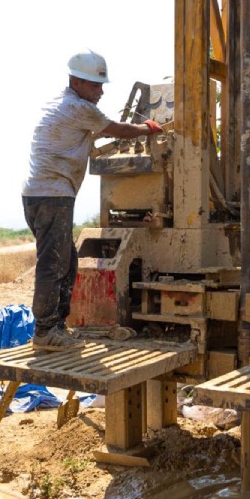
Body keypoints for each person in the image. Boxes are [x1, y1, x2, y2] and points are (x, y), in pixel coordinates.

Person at [23, 50, 162, 350]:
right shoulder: (78, 108)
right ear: (75, 81)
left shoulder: (65, 107)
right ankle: (45, 332)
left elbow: (92, 136)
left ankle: (56, 327)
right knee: (54, 264)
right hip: (52, 196)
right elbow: (120, 130)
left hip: (41, 196)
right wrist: (147, 128)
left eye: (101, 86)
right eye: (95, 86)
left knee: (68, 262)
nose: (100, 92)